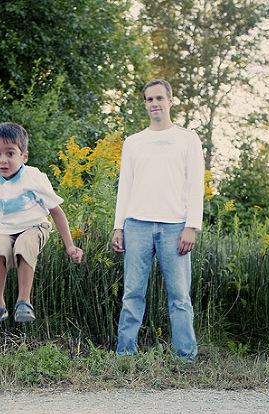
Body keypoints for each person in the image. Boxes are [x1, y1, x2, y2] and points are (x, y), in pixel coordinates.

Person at [110, 79, 205, 361]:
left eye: (159, 98)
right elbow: (124, 185)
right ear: (145, 104)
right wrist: (119, 226)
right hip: (136, 224)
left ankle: (185, 356)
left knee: (179, 296)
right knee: (132, 295)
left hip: (175, 226)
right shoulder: (134, 142)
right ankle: (125, 355)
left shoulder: (187, 139)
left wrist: (191, 225)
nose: (155, 104)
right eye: (149, 99)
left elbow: (195, 185)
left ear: (171, 101)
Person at [0, 122, 83, 332]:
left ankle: (24, 301)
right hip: (5, 230)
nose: (3, 160)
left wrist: (70, 246)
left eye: (10, 153)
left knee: (23, 245)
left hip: (35, 226)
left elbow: (57, 213)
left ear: (24, 156)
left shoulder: (34, 177)